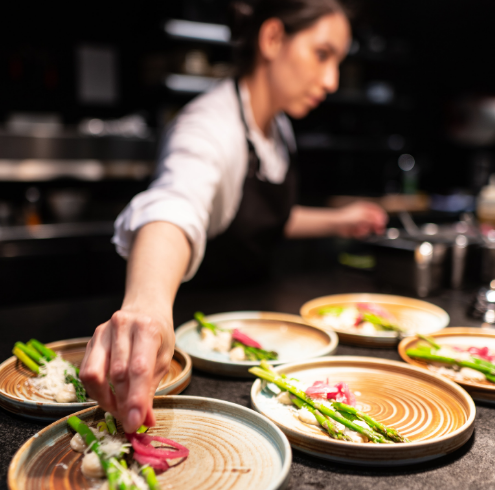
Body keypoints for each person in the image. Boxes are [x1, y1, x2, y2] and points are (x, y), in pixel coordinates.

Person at [80, 0, 388, 432]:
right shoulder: (207, 126)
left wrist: (339, 220)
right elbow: (175, 203)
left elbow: (258, 219)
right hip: (195, 350)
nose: (332, 80)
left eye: (339, 61)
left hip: (248, 338)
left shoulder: (278, 126)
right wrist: (147, 309)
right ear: (272, 38)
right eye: (323, 54)